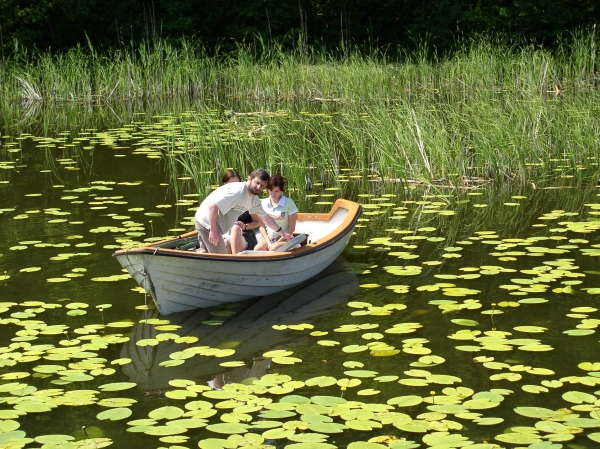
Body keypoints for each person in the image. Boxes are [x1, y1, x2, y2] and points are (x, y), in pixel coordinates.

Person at [194, 168, 293, 254]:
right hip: (207, 222)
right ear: (249, 179)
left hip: (214, 223)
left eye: (262, 185)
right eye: (257, 183)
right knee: (220, 258)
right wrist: (213, 230)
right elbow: (213, 206)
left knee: (207, 256)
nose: (259, 187)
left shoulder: (254, 200)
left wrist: (283, 233)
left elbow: (266, 218)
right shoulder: (238, 191)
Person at [220, 169, 269, 253]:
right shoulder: (221, 199)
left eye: (236, 184)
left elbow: (257, 222)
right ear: (225, 184)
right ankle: (232, 260)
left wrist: (245, 226)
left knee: (235, 228)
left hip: (245, 235)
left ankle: (238, 259)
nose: (234, 187)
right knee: (225, 243)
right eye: (231, 184)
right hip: (226, 234)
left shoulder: (248, 198)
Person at [255, 175, 299, 251]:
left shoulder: (289, 203)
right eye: (270, 190)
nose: (273, 194)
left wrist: (277, 242)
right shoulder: (264, 203)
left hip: (285, 238)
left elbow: (292, 228)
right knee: (257, 249)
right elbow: (261, 226)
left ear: (282, 190)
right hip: (269, 237)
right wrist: (268, 242)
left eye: (276, 191)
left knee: (273, 248)